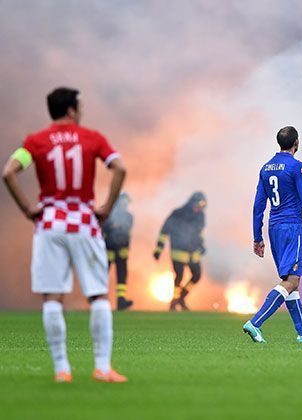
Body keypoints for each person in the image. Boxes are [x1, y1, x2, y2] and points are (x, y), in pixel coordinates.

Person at [2, 87, 128, 383]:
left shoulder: (35, 141)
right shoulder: (93, 138)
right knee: (97, 294)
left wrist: (26, 209)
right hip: (84, 220)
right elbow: (120, 167)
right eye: (80, 106)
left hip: (49, 224)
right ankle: (101, 367)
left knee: (52, 297)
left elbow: (8, 172)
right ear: (71, 110)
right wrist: (108, 206)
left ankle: (62, 369)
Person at [244, 126, 302, 344]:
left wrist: (258, 237)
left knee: (290, 280)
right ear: (297, 143)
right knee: (292, 281)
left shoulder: (266, 168)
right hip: (292, 226)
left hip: (274, 228)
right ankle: (255, 323)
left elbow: (258, 206)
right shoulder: (297, 167)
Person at [153, 192, 206, 311]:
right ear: (192, 202)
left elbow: (200, 232)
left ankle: (181, 297)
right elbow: (164, 231)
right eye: (198, 205)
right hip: (178, 250)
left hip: (193, 251)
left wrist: (201, 245)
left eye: (202, 207)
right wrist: (159, 249)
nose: (199, 209)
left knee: (196, 275)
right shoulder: (177, 213)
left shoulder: (201, 215)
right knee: (179, 276)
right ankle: (174, 301)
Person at [102, 192, 134, 311]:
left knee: (122, 276)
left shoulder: (129, 216)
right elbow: (103, 230)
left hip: (122, 251)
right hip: (109, 250)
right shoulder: (109, 215)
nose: (125, 204)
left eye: (126, 202)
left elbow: (126, 230)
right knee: (103, 275)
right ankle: (101, 300)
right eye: (123, 202)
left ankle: (121, 300)